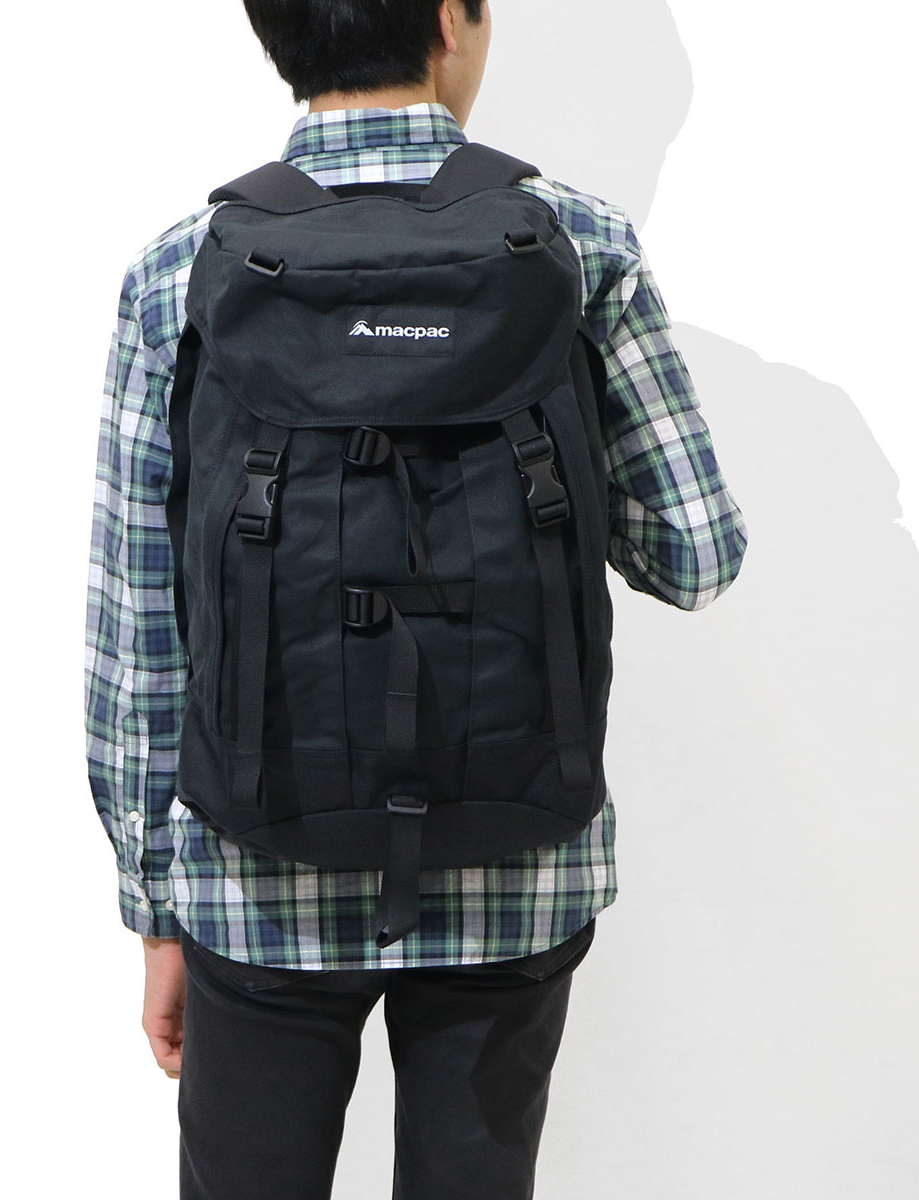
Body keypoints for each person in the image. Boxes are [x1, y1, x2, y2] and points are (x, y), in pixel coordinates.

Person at [84, 2, 748, 1196]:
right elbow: (695, 556)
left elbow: (138, 634)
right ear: (452, 17)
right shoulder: (581, 244)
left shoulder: (179, 270)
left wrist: (154, 905)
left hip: (255, 870)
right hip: (517, 863)